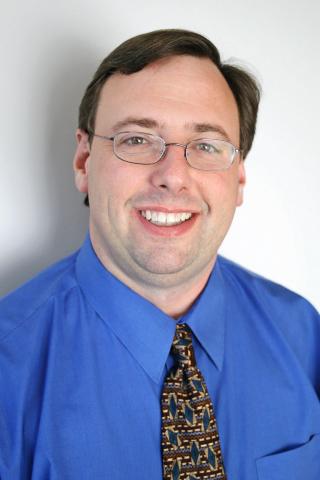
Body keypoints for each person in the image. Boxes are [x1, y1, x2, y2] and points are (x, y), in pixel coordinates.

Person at [0, 29, 319, 480]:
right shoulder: (7, 370)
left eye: (206, 146)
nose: (173, 177)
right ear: (83, 162)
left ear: (240, 179)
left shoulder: (303, 335)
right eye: (136, 140)